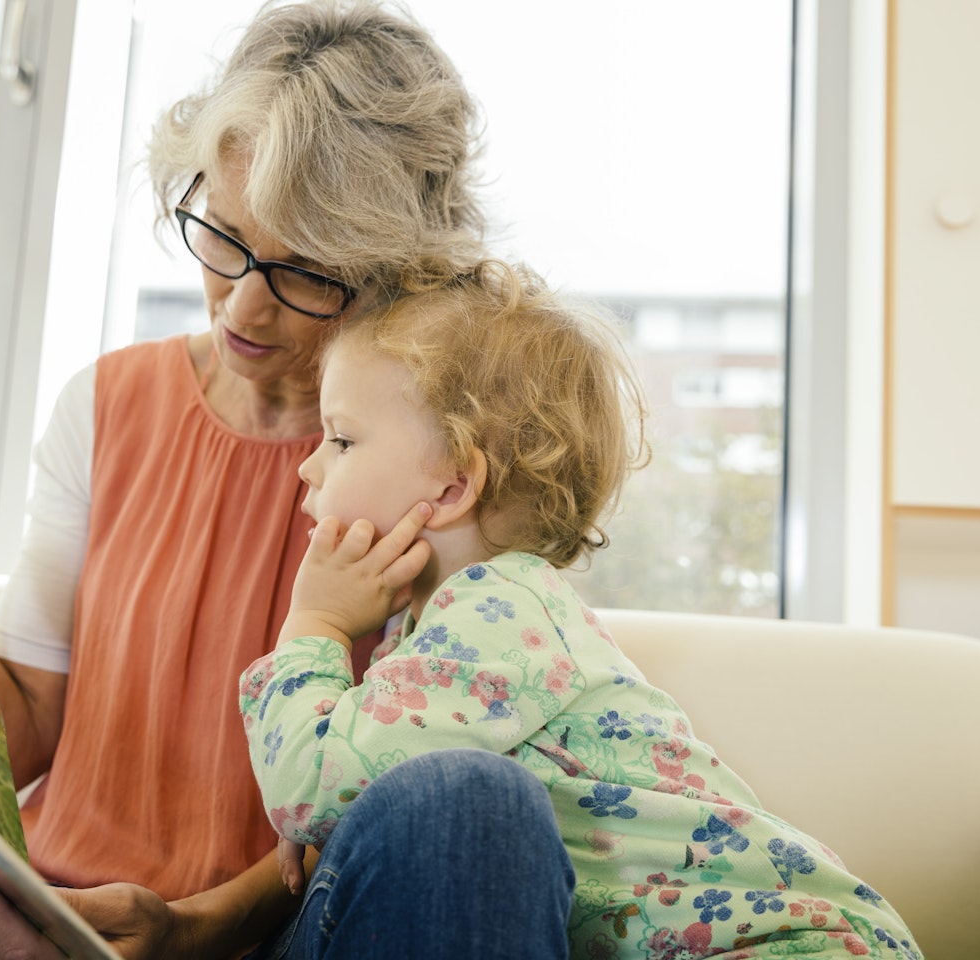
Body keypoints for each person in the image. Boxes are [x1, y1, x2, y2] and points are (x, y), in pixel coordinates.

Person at [0, 1, 501, 957]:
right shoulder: (103, 406)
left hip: (288, 929)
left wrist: (193, 929)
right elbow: (16, 733)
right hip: (73, 911)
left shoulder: (430, 464)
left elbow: (388, 809)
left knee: (472, 800)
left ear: (394, 272)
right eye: (222, 236)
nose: (242, 302)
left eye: (304, 271)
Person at [238, 260, 925, 959]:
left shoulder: (499, 613)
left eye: (342, 439)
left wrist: (315, 625)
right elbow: (332, 800)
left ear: (452, 486)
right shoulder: (439, 636)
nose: (309, 466)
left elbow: (307, 787)